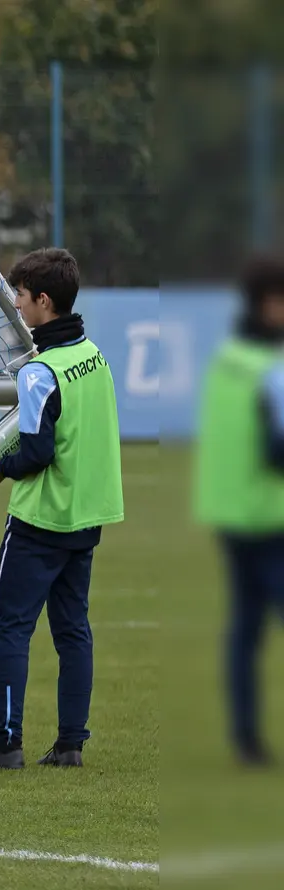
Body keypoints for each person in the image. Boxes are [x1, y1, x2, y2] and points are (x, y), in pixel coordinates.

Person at [0, 247, 124, 770]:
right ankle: (71, 743)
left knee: (11, 629)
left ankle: (7, 745)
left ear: (43, 301)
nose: (17, 304)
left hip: (39, 519)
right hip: (87, 514)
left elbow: (36, 452)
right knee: (73, 629)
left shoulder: (39, 371)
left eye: (22, 296)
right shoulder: (93, 355)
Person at [194, 252, 284, 767]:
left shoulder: (228, 357)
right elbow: (277, 450)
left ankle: (246, 738)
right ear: (270, 304)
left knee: (245, 629)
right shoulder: (271, 368)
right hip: (269, 515)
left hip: (229, 511)